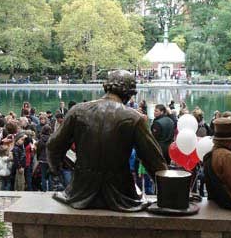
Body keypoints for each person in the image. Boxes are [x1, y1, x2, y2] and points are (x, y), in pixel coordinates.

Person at [47, 70, 168, 212]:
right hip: (122, 195)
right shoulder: (135, 118)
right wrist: (169, 192)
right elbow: (153, 160)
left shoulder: (77, 111)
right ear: (129, 93)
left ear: (107, 87)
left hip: (79, 192)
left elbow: (53, 146)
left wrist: (57, 172)